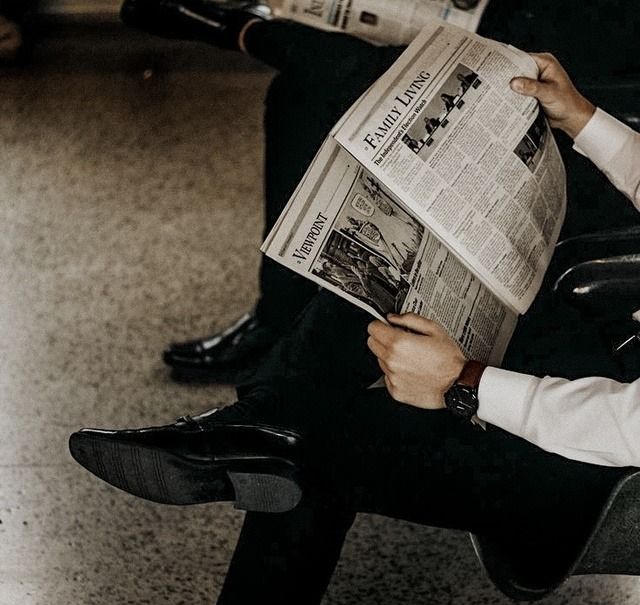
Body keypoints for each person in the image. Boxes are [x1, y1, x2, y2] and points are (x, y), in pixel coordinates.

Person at [69, 13, 640, 605]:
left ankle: (259, 428)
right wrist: (585, 119)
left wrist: (464, 382)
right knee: (393, 272)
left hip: (608, 466)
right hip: (615, 361)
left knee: (315, 450)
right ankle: (257, 419)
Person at [120, 0, 640, 385]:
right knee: (307, 88)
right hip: (511, 33)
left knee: (321, 79)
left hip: (587, 80)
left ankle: (247, 29)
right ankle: (278, 331)